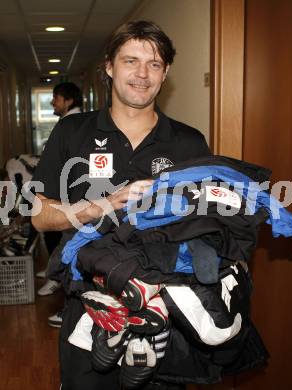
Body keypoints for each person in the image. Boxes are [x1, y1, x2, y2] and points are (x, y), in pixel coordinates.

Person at [32, 20, 211, 390]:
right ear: (110, 67)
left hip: (164, 317)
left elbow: (204, 227)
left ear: (165, 74)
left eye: (154, 64)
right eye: (131, 61)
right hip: (88, 312)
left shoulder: (188, 143)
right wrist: (102, 205)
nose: (142, 74)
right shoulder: (72, 132)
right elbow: (39, 216)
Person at [36, 82, 83, 329]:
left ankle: (69, 306)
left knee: (71, 249)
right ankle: (55, 277)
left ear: (68, 100)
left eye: (56, 98)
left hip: (72, 197)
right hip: (70, 196)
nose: (53, 103)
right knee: (67, 246)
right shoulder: (72, 123)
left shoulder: (74, 126)